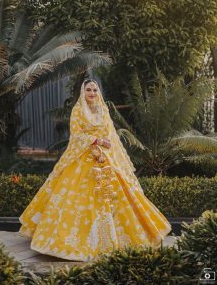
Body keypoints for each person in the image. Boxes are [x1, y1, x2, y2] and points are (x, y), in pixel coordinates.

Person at [19, 79, 172, 261]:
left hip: (104, 159)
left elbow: (110, 135)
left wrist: (110, 152)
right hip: (83, 158)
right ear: (83, 93)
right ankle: (69, 241)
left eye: (94, 90)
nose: (92, 93)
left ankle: (125, 237)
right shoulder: (78, 111)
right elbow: (76, 135)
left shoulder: (103, 110)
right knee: (73, 196)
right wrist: (97, 141)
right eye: (88, 90)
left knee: (118, 194)